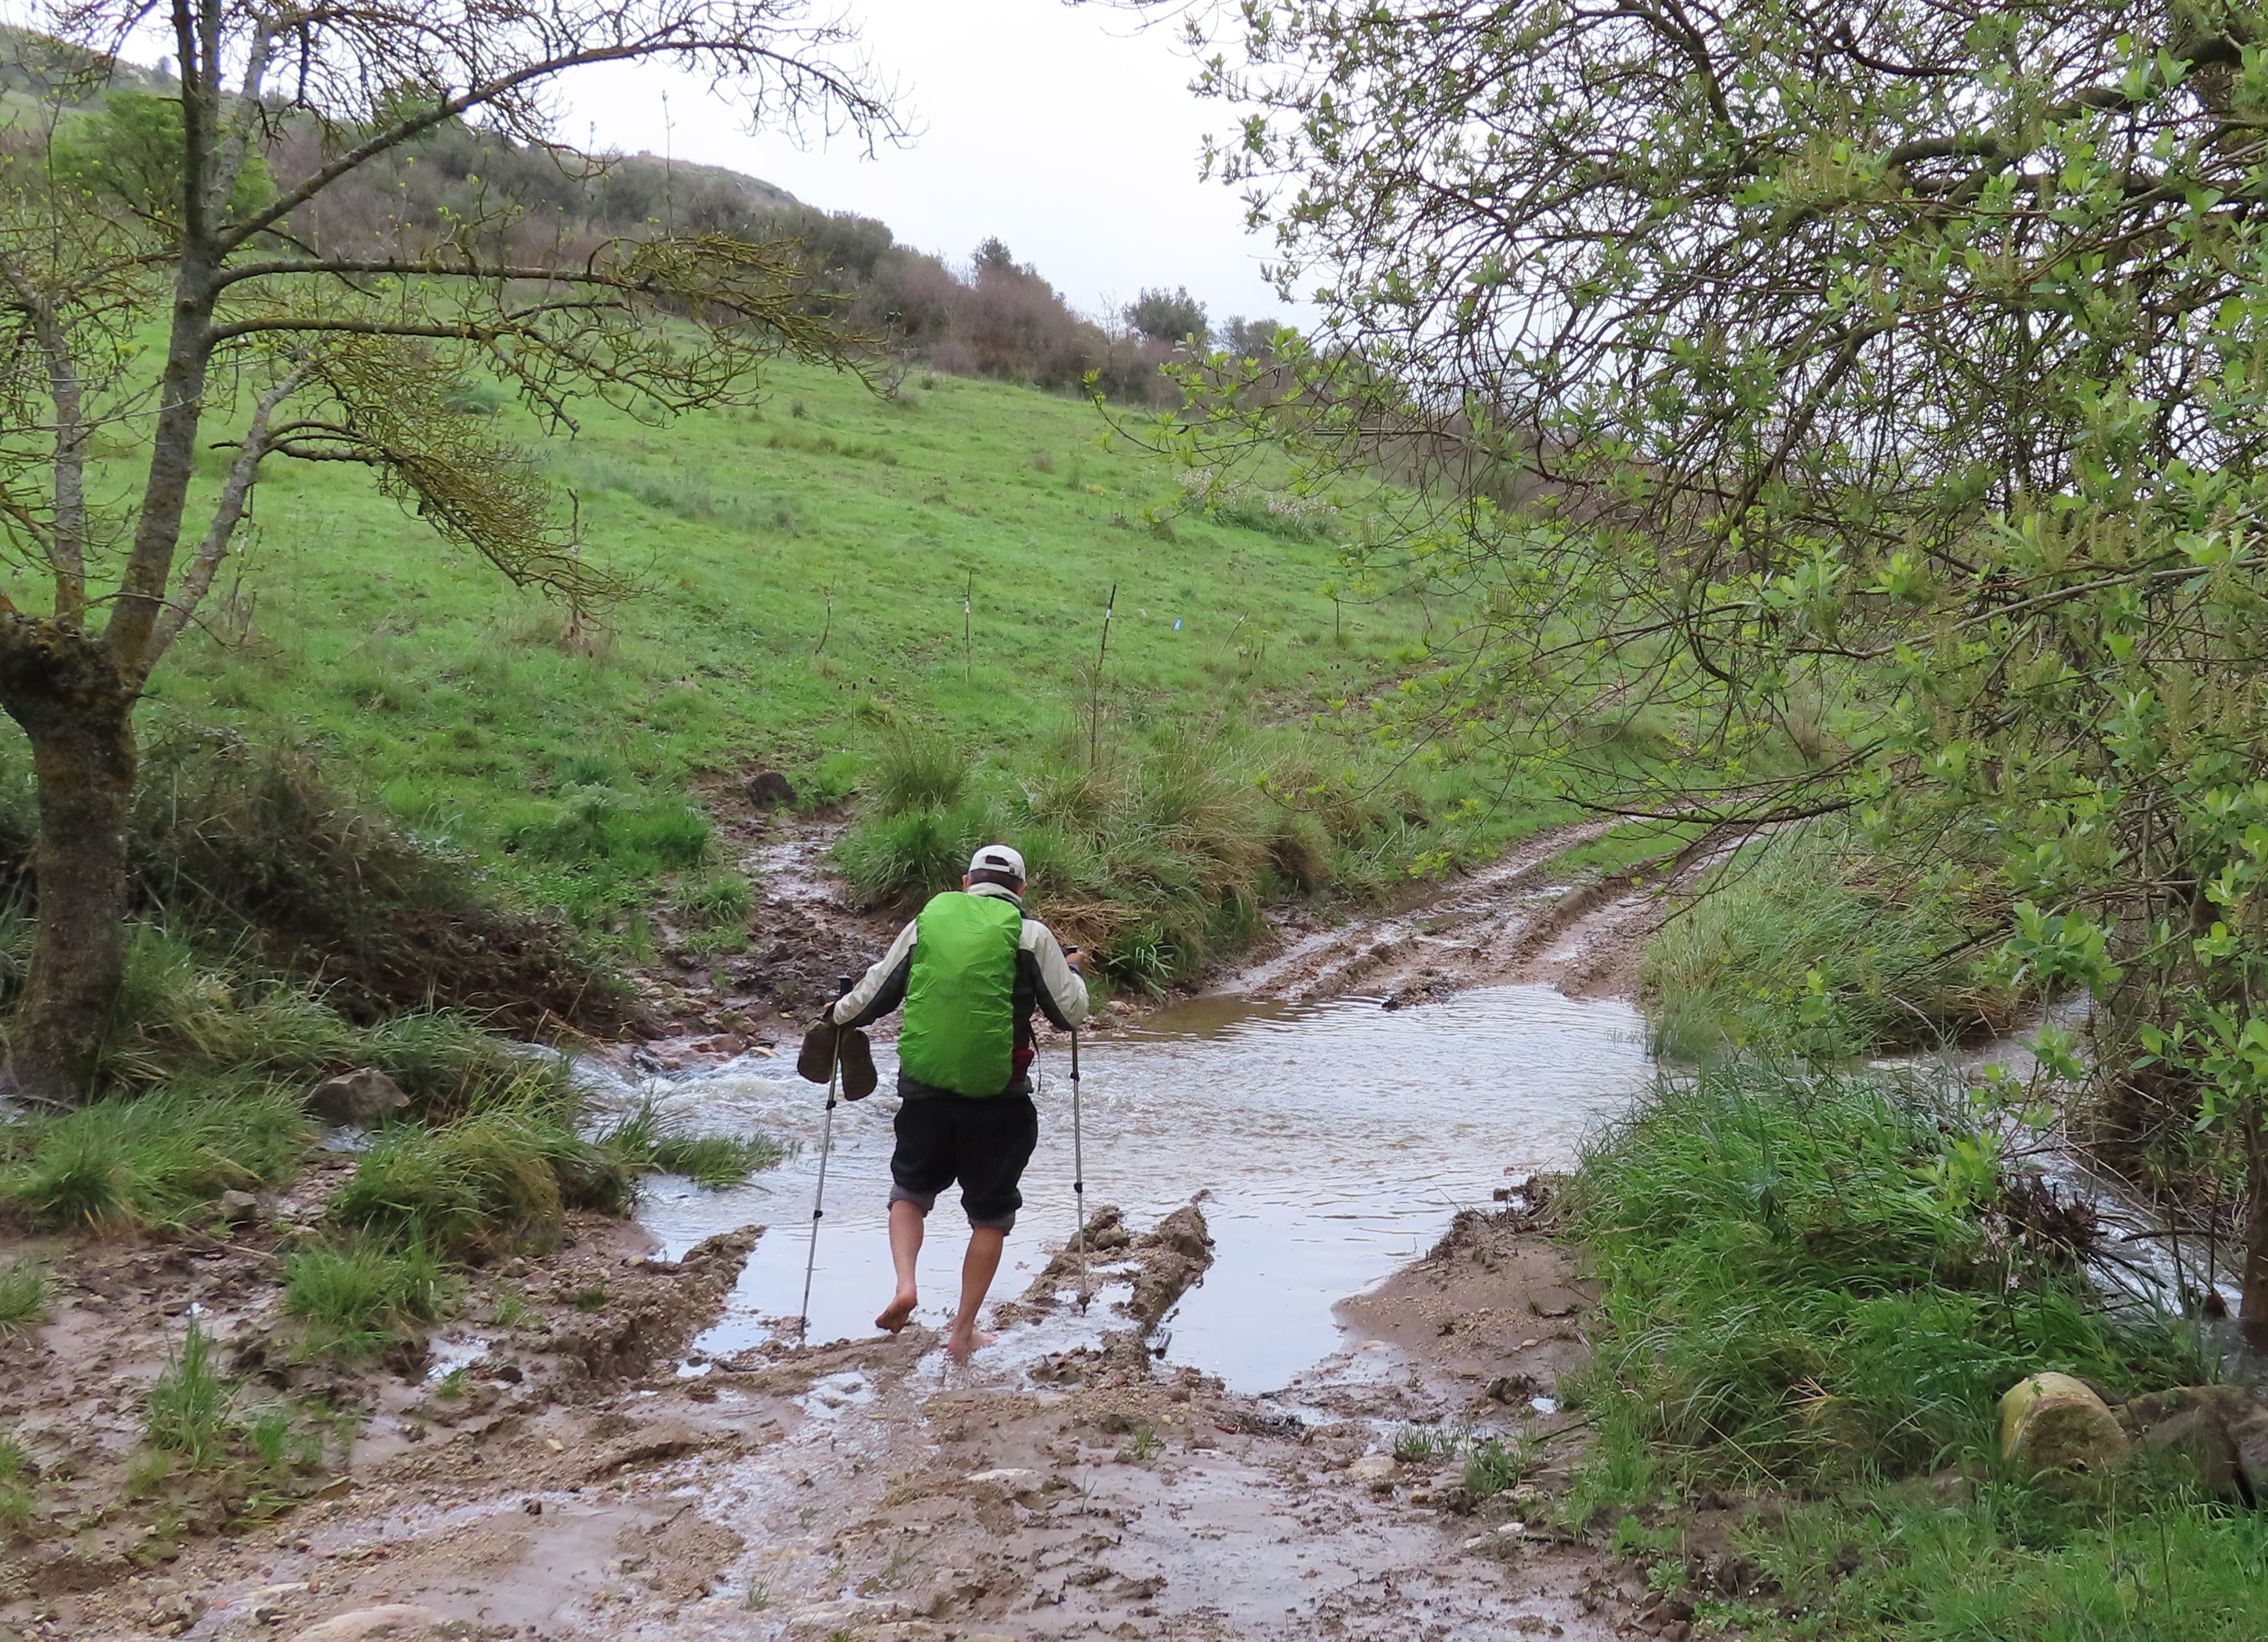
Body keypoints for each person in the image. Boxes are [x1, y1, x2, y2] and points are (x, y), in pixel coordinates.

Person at [825, 842, 1088, 1357]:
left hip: (925, 1093)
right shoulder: (1031, 935)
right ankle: (962, 1331)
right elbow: (1069, 1014)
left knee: (909, 1191)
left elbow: (875, 993)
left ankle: (906, 1284)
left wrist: (837, 1015)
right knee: (990, 1214)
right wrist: (1075, 971)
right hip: (999, 1100)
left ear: (966, 881)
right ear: (1021, 889)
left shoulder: (928, 921)